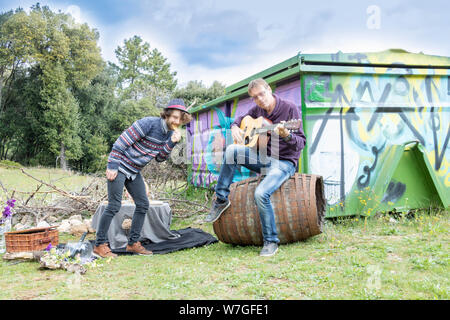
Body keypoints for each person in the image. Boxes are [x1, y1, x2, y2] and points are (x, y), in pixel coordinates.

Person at [204, 78, 306, 257]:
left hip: (284, 163)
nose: (260, 99)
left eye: (262, 94)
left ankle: (271, 241)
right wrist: (235, 126)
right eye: (255, 97)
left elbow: (300, 143)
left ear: (269, 89)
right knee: (231, 150)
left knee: (260, 193)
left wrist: (287, 134)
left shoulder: (289, 108)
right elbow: (241, 119)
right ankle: (221, 199)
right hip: (264, 159)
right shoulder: (257, 110)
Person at [93, 99, 192, 258]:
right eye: (174, 117)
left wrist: (172, 143)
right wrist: (112, 165)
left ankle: (132, 244)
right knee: (113, 205)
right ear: (166, 115)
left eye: (180, 119)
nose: (176, 121)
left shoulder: (168, 134)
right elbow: (121, 142)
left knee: (143, 204)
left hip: (134, 171)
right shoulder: (148, 123)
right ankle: (99, 245)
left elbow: (160, 158)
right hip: (120, 166)